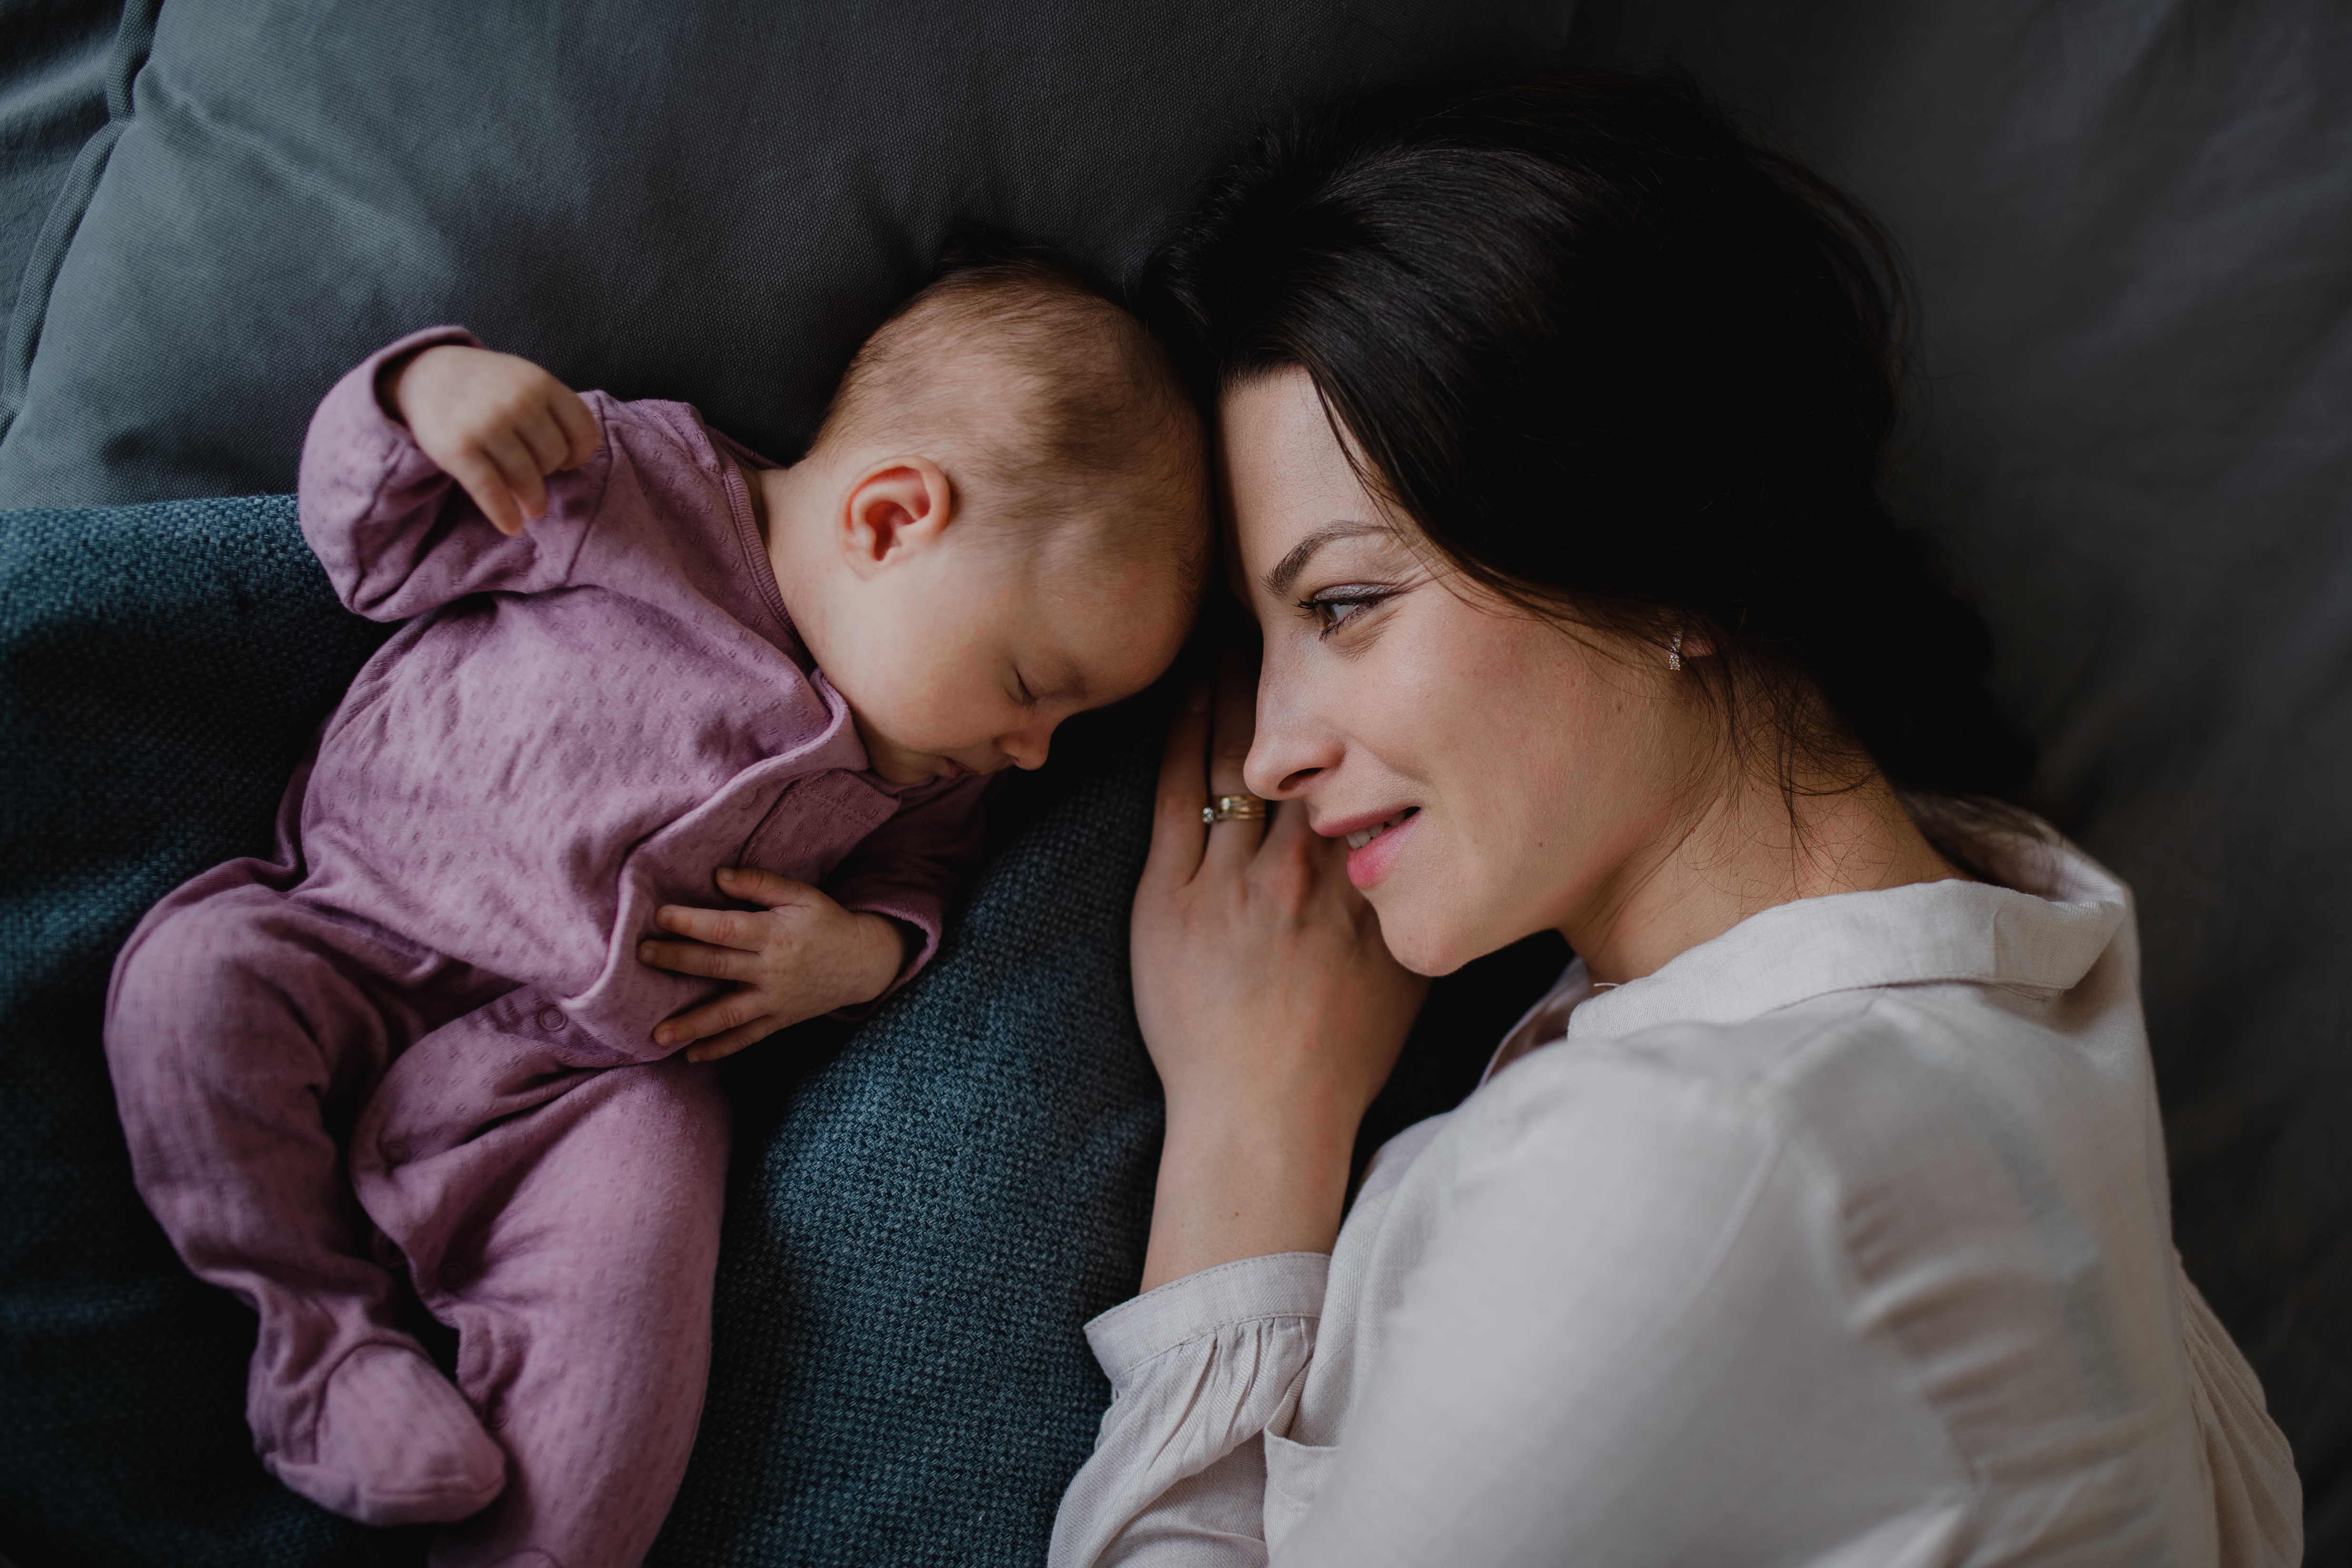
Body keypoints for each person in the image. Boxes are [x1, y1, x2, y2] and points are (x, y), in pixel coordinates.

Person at [1051, 71, 2302, 1566]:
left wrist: (1254, 1127)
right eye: (1266, 643)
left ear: (1661, 557)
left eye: (1348, 603)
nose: (1267, 750)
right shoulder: (2031, 998)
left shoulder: (1710, 1160)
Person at [103, 255, 1207, 1568]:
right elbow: (373, 545)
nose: (1035, 750)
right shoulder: (622, 489)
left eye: (1071, 725)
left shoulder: (930, 775)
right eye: (1036, 683)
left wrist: (858, 959)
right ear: (893, 519)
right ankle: (318, 1347)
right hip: (353, 926)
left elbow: (925, 887)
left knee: (632, 1312)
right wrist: (416, 396)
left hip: (589, 1080)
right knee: (189, 986)